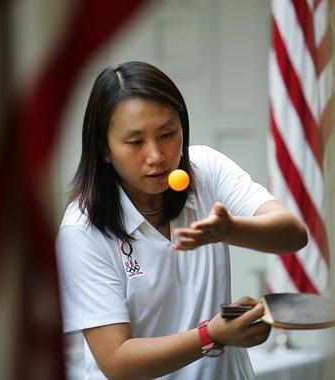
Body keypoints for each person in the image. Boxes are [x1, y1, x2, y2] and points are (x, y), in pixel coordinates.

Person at [56, 61, 308, 380]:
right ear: (104, 149)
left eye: (167, 134)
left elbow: (293, 235)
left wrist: (230, 229)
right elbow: (117, 361)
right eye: (135, 142)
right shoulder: (82, 230)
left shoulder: (206, 170)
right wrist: (211, 335)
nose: (157, 156)